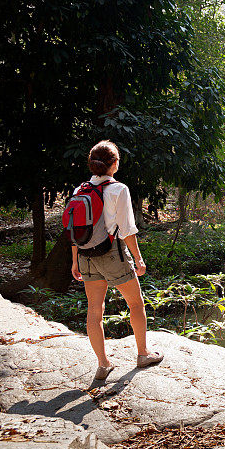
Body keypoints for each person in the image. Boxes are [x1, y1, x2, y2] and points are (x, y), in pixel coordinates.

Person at [70, 140, 163, 381]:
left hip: (86, 256)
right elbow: (127, 230)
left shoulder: (79, 191)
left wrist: (74, 262)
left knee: (94, 311)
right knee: (136, 304)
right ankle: (142, 354)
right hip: (112, 254)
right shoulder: (119, 189)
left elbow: (74, 232)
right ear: (114, 164)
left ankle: (103, 365)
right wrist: (139, 259)